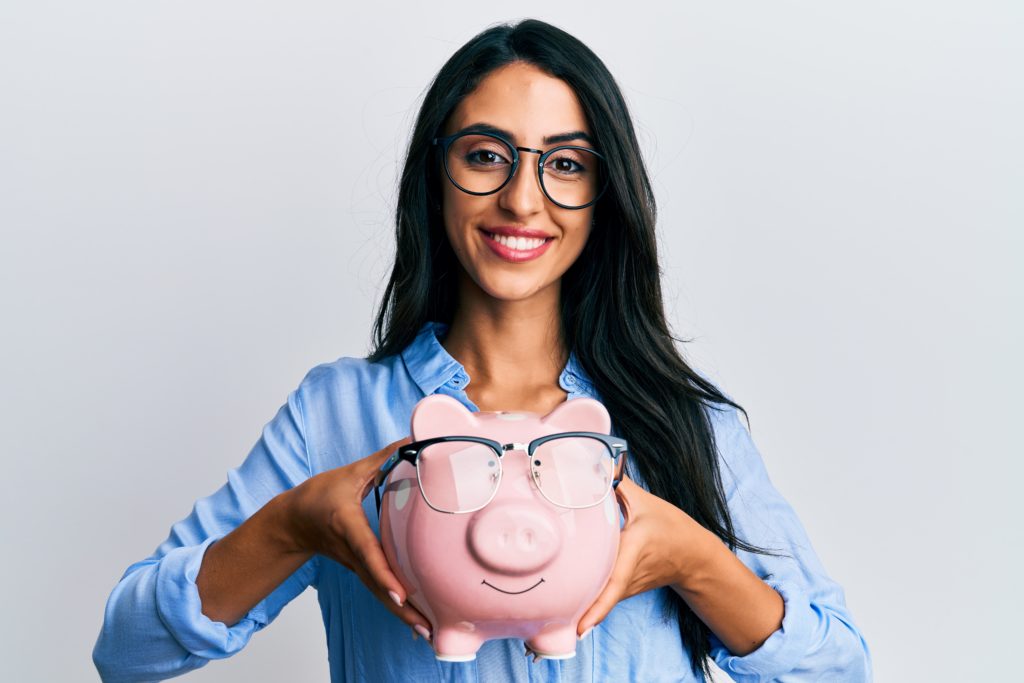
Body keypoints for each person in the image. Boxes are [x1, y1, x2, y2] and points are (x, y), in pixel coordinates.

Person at [93, 18, 871, 683]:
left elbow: (840, 666)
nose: (522, 200)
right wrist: (293, 525)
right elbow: (126, 649)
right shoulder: (335, 414)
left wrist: (694, 562)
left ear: (606, 195)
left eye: (565, 164)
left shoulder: (681, 420)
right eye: (485, 154)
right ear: (437, 174)